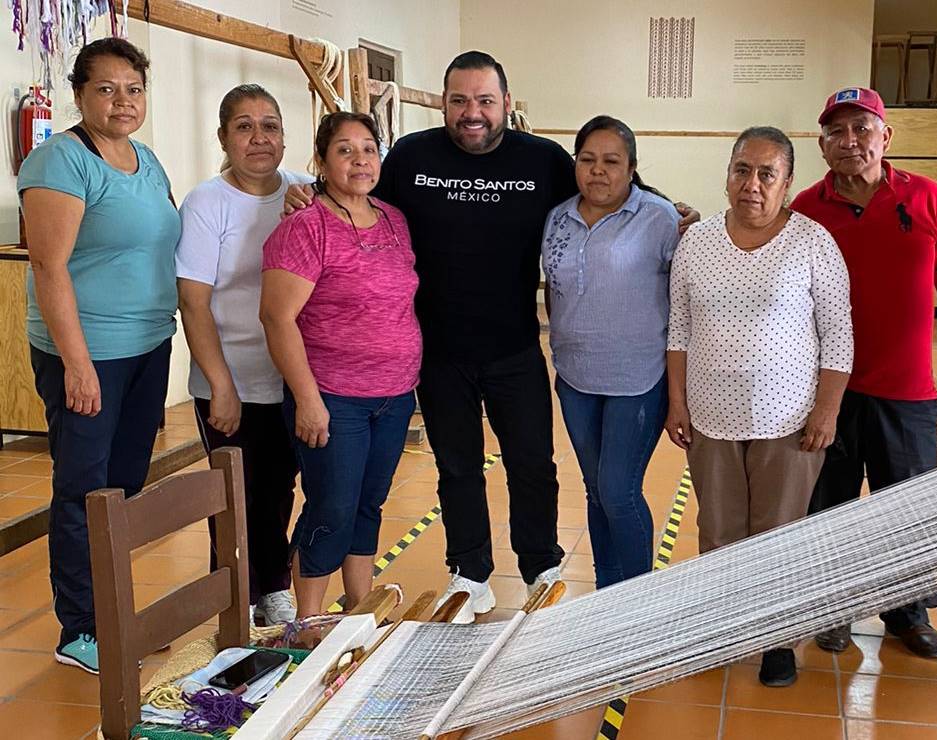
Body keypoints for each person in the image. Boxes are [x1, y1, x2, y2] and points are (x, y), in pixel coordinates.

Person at [285, 51, 696, 622]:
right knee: (457, 467)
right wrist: (307, 193)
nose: (471, 112)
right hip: (439, 353)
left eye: (484, 100)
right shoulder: (411, 156)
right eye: (459, 100)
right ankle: (470, 571)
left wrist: (669, 210)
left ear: (506, 103)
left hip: (515, 349)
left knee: (533, 464)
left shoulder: (543, 160)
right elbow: (358, 191)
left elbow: (605, 184)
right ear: (445, 103)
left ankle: (541, 567)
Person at [666, 126, 853, 688]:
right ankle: (722, 630)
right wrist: (677, 402)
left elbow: (838, 334)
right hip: (710, 416)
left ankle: (776, 641)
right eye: (741, 170)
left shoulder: (813, 242)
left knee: (778, 532)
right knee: (720, 529)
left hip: (789, 421)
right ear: (727, 175)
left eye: (766, 174)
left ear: (788, 184)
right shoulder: (695, 243)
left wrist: (827, 410)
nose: (752, 184)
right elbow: (678, 329)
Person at [18, 38, 178, 674]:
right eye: (106, 89)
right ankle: (79, 629)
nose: (122, 101)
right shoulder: (60, 160)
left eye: (133, 89)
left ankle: (113, 609)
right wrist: (77, 364)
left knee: (123, 485)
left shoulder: (146, 158)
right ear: (79, 94)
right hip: (89, 353)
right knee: (84, 489)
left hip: (147, 343)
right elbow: (49, 268)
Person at [790, 86, 937, 660]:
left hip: (909, 389)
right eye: (837, 132)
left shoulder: (927, 198)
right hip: (827, 393)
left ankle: (906, 613)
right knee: (829, 507)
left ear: (885, 137)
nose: (850, 141)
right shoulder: (806, 210)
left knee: (907, 511)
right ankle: (831, 608)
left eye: (861, 128)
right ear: (822, 146)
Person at [260, 112, 421, 618]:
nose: (359, 160)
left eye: (368, 149)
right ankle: (306, 620)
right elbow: (277, 317)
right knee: (330, 506)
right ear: (322, 162)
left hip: (394, 395)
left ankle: (358, 608)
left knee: (367, 505)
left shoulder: (395, 220)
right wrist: (308, 399)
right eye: (345, 151)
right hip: (333, 395)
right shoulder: (306, 227)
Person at [176, 84, 312, 626]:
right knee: (233, 497)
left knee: (278, 489)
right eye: (244, 126)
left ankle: (274, 585)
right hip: (229, 373)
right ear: (224, 138)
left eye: (270, 126)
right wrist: (221, 384)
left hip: (291, 375)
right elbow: (193, 300)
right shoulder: (207, 202)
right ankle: (235, 600)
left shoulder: (305, 191)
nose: (260, 138)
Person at [542, 115, 680, 588]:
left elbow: (685, 297)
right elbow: (554, 288)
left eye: (611, 161)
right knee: (597, 491)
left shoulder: (660, 218)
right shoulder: (558, 217)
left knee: (618, 491)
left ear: (631, 167)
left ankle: (638, 600)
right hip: (575, 377)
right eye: (587, 160)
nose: (597, 171)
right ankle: (607, 591)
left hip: (637, 379)